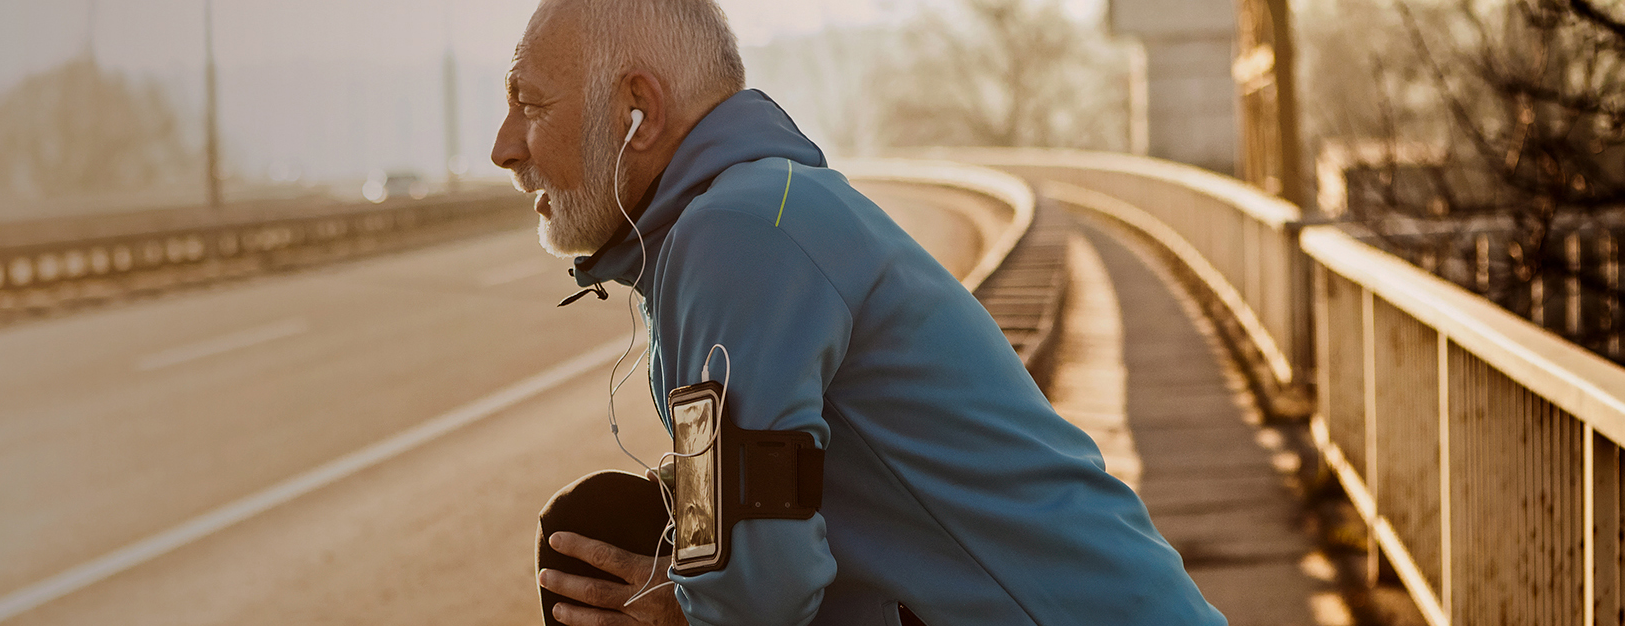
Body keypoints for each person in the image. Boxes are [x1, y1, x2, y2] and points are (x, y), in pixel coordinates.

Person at [490, 1, 1228, 624]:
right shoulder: (751, 211)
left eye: (530, 105)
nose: (504, 147)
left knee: (596, 532)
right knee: (617, 518)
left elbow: (761, 592)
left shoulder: (739, 232)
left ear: (637, 113)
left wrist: (675, 611)